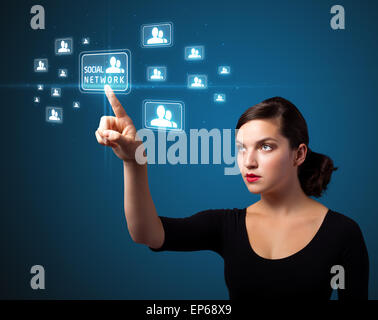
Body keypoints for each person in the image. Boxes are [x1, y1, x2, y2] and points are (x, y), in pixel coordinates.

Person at [95, 87, 369, 300]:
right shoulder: (227, 225)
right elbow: (146, 233)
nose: (248, 161)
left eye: (265, 147)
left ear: (298, 154)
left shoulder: (343, 233)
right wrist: (134, 162)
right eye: (241, 148)